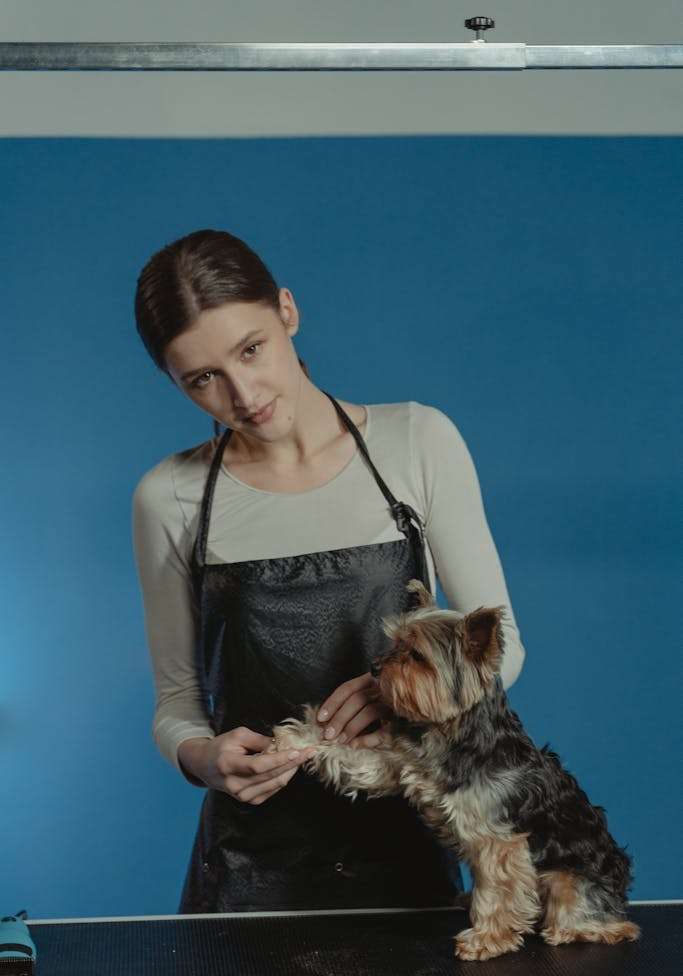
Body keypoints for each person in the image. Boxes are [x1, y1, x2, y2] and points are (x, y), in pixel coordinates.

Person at [131, 228, 526, 914]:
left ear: (287, 310)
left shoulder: (417, 442)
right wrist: (204, 760)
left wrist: (397, 692)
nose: (242, 392)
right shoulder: (169, 497)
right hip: (248, 873)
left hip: (413, 854)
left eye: (250, 349)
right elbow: (176, 705)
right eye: (202, 379)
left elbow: (503, 647)